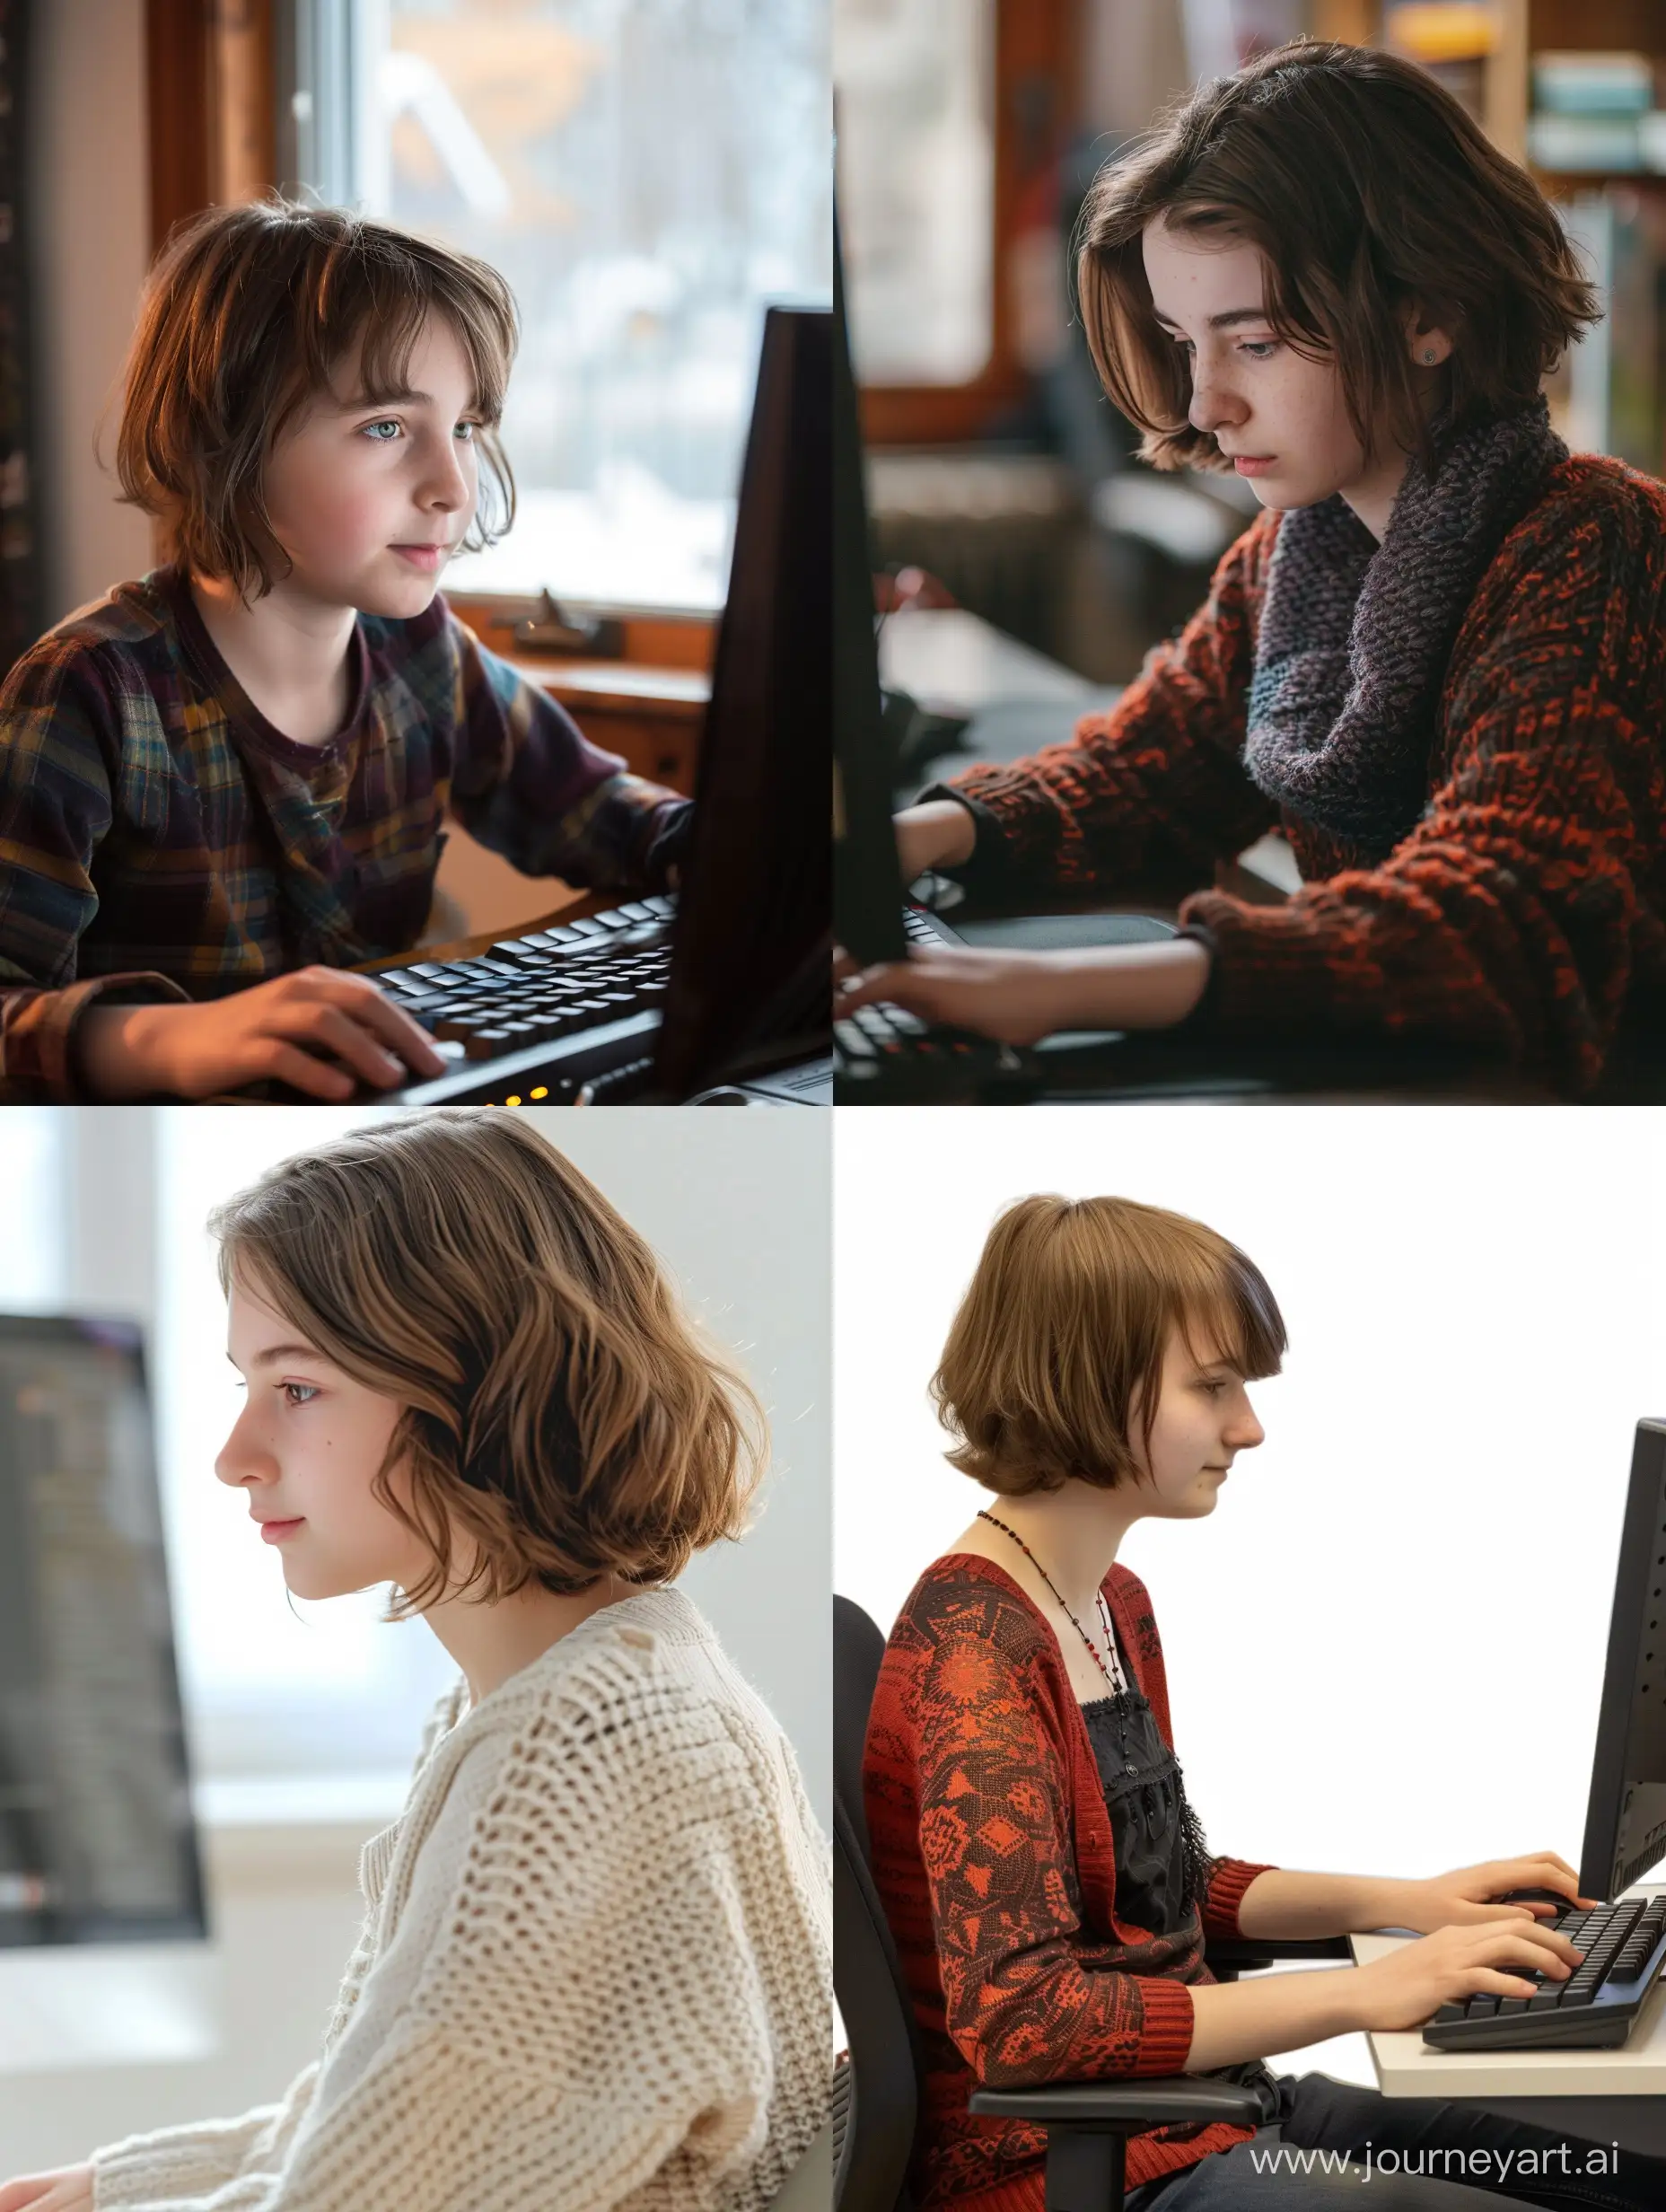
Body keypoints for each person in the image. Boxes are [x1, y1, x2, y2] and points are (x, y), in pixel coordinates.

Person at [0, 1110, 830, 2212]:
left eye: (295, 1389)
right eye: (246, 1386)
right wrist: (119, 2184)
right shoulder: (603, 1682)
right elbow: (385, 2114)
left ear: (478, 1385)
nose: (232, 1457)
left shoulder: (578, 1745)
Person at [837, 37, 1666, 1099]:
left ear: (1429, 315)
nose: (1203, 404)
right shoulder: (1295, 550)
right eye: (1186, 344)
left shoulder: (1590, 546)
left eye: (1256, 342)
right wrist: (901, 842)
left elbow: (1503, 912)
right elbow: (1150, 771)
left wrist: (1061, 989)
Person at [863, 1191, 1666, 2208]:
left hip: (1211, 2112)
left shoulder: (1110, 1603)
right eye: (1212, 1386)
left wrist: (1405, 1904)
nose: (1247, 1426)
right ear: (1080, 1383)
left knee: (1622, 2179)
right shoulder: (973, 1652)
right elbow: (1027, 2020)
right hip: (1073, 2169)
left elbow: (1164, 1892)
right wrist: (1361, 1993)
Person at [0, 196, 692, 1104]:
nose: (451, 486)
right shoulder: (88, 692)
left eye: (466, 428)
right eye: (385, 428)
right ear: (227, 442)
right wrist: (180, 1039)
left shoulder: (423, 653)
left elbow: (607, 814)